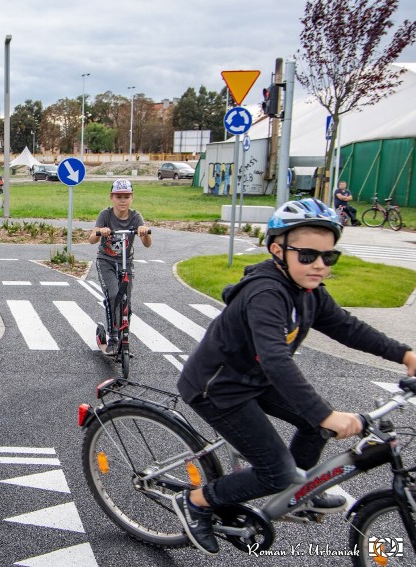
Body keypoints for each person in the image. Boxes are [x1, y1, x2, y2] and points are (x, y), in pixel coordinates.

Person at [173, 198, 416, 555]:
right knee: (278, 469)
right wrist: (325, 414)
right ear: (278, 250)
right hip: (218, 388)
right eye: (307, 255)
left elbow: (348, 328)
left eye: (328, 257)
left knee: (314, 424)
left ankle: (295, 494)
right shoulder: (266, 293)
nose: (319, 265)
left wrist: (405, 354)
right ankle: (196, 501)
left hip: (253, 378)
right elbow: (275, 360)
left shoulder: (309, 291)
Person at [88, 179, 152, 356]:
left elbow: (147, 244)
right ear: (112, 197)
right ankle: (113, 337)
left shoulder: (135, 216)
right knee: (114, 295)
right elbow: (92, 238)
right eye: (119, 196)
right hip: (106, 260)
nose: (122, 200)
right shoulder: (105, 215)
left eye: (126, 196)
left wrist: (144, 232)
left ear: (132, 198)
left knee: (126, 302)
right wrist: (102, 231)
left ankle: (125, 338)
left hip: (126, 262)